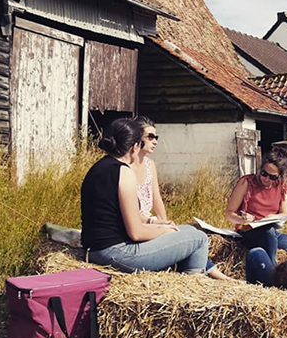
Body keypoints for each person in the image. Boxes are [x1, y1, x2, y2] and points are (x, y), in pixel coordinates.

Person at [81, 118, 231, 280]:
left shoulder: (97, 168)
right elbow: (136, 233)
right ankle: (190, 287)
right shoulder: (124, 173)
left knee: (189, 231)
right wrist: (164, 231)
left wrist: (159, 226)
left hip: (95, 249)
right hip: (115, 254)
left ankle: (188, 279)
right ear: (135, 147)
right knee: (199, 238)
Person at [225, 146, 287, 285]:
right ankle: (274, 275)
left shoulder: (281, 186)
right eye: (264, 173)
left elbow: (285, 213)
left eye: (272, 177)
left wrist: (271, 218)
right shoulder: (246, 182)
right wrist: (241, 219)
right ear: (260, 169)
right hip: (248, 232)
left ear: (279, 176)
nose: (266, 179)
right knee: (268, 233)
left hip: (272, 233)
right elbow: (229, 214)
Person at [131, 116, 171, 225]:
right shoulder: (125, 166)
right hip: (134, 223)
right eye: (150, 137)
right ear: (137, 138)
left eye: (156, 137)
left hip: (151, 221)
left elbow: (156, 199)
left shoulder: (150, 165)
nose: (155, 142)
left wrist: (165, 223)